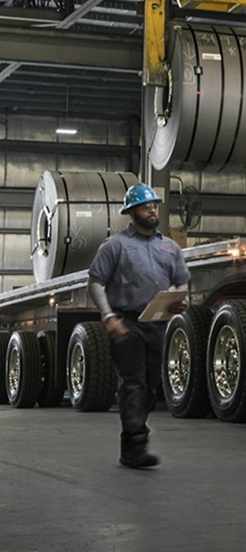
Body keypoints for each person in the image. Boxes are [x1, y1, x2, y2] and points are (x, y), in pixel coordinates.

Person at [88, 183, 189, 468]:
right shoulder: (115, 246)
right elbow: (95, 282)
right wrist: (109, 317)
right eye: (147, 206)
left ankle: (135, 437)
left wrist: (182, 300)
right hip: (126, 322)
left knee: (150, 384)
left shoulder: (169, 247)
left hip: (156, 323)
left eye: (155, 205)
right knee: (133, 382)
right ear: (132, 211)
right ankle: (133, 446)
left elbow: (182, 280)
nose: (153, 209)